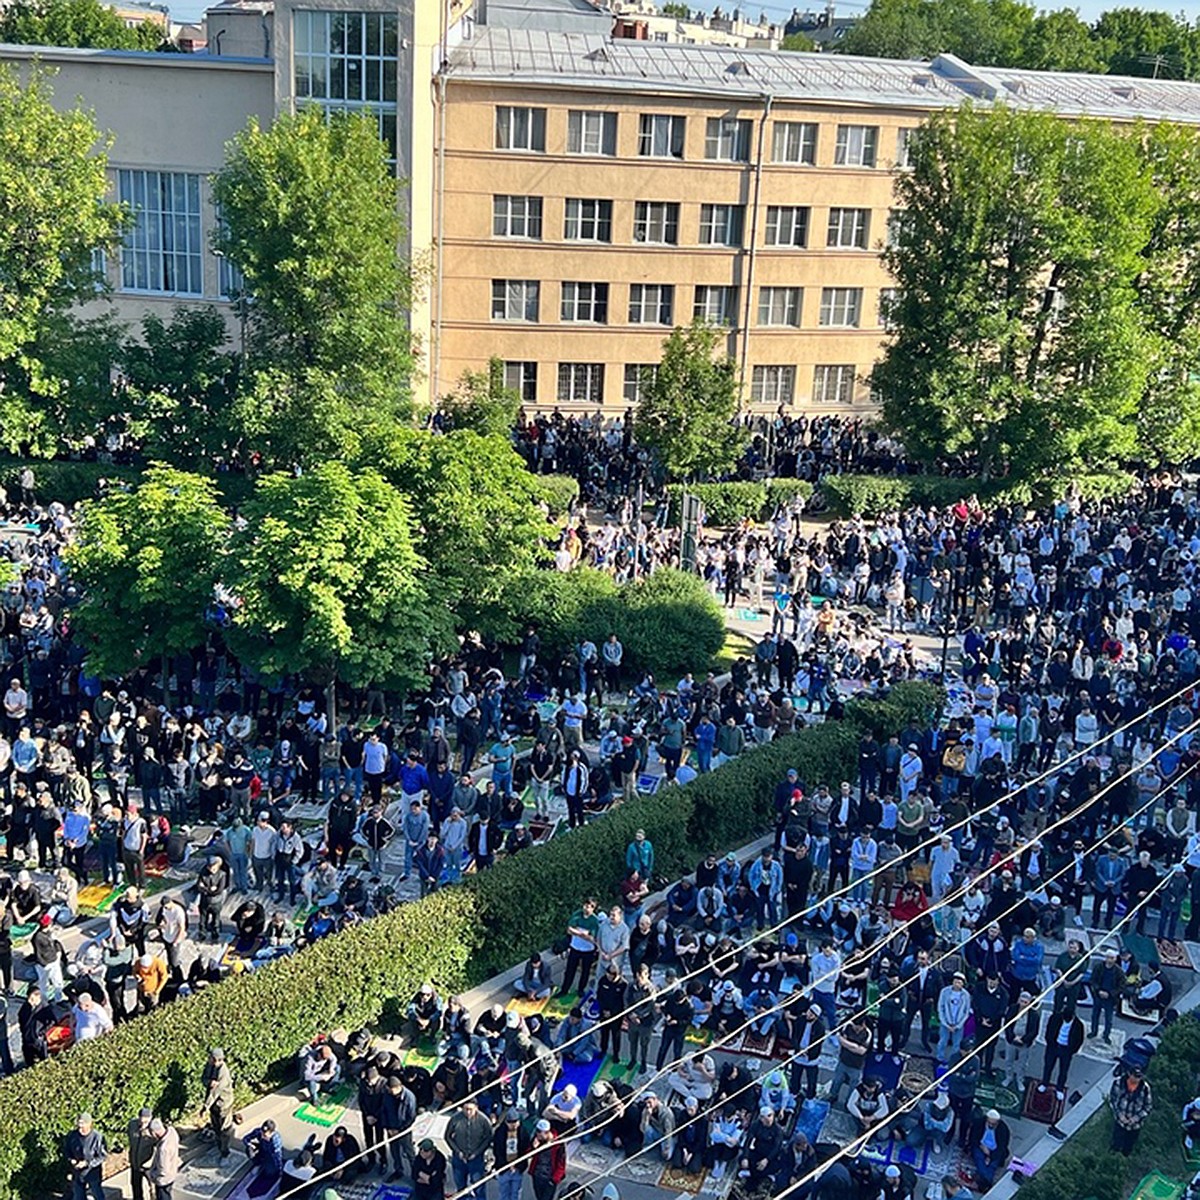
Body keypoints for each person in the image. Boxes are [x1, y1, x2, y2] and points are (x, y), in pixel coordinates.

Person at [447, 1097, 492, 1200]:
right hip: (459, 1159)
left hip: (476, 1159)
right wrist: (457, 1151)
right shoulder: (455, 1119)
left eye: (470, 1109)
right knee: (460, 1187)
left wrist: (477, 1152)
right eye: (465, 1109)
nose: (468, 1112)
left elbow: (488, 1137)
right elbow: (447, 1136)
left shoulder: (483, 1120)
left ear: (476, 1108)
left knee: (479, 1187)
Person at [200, 1047, 235, 1159]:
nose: (208, 1060)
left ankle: (225, 1153)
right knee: (215, 1126)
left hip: (223, 1104)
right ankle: (218, 1146)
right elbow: (203, 1079)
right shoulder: (209, 1066)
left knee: (224, 1130)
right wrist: (209, 1082)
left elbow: (216, 1092)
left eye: (211, 1058)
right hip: (213, 1105)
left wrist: (205, 1107)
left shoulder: (223, 1072)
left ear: (216, 1059)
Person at [1109, 1066, 1153, 1155]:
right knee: (1115, 1146)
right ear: (1129, 1074)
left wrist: (1135, 1119)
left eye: (1139, 1077)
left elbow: (1148, 1106)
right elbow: (1113, 1101)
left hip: (1135, 1126)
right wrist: (1120, 1116)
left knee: (1127, 1149)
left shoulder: (1145, 1088)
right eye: (1135, 1076)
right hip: (1120, 1123)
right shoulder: (1118, 1083)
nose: (1137, 1079)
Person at [64, 1112, 107, 1200]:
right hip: (77, 1173)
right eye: (79, 1124)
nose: (80, 1127)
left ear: (89, 1124)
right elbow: (67, 1150)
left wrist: (88, 1163)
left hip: (92, 1173)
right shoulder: (73, 1136)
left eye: (83, 1124)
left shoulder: (97, 1137)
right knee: (78, 1197)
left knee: (98, 1195)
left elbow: (102, 1156)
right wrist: (71, 1160)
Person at [493, 1108, 532, 1200]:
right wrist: (507, 1165)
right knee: (504, 1194)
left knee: (516, 1194)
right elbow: (497, 1151)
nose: (513, 1125)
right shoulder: (500, 1132)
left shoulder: (523, 1132)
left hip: (518, 1168)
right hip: (504, 1168)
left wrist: (517, 1165)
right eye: (510, 1123)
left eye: (515, 1122)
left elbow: (525, 1150)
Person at [966, 1108, 1010, 1189]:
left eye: (993, 1124)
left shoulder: (1003, 1129)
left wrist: (990, 1155)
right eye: (989, 1123)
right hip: (981, 1146)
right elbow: (973, 1139)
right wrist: (982, 1148)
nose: (991, 1125)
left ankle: (982, 1182)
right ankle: (987, 1184)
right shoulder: (979, 1123)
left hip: (995, 1151)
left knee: (993, 1165)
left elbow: (1002, 1147)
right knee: (979, 1158)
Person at [529, 1120, 566, 1200]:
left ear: (546, 1132)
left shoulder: (558, 1144)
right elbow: (527, 1154)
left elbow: (561, 1164)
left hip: (549, 1178)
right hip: (537, 1176)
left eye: (539, 1132)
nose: (537, 1134)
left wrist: (554, 1180)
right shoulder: (537, 1140)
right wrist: (533, 1148)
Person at [148, 1118, 180, 1200]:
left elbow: (163, 1171)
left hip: (163, 1181)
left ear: (154, 1132)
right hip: (172, 1174)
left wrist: (152, 1175)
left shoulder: (164, 1149)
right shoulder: (172, 1132)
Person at [127, 1108, 156, 1200]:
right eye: (141, 1121)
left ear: (151, 1118)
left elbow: (159, 1147)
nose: (143, 1125)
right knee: (135, 1185)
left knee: (153, 1188)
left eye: (146, 1122)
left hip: (149, 1165)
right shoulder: (132, 1125)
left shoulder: (155, 1128)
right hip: (135, 1163)